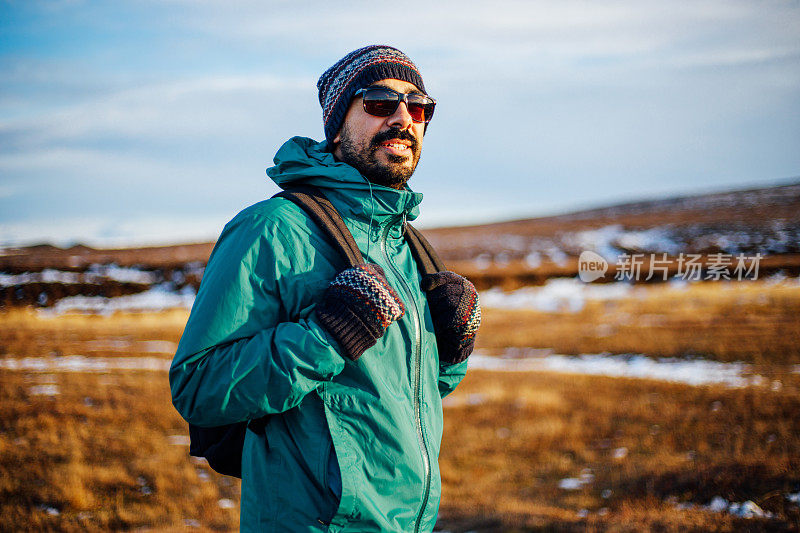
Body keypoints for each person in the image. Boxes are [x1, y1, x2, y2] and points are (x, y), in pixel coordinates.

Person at [169, 44, 481, 532]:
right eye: (380, 103)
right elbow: (198, 386)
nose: (403, 118)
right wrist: (325, 338)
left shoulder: (407, 245)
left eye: (418, 108)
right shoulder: (273, 229)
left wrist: (451, 352)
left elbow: (400, 391)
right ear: (337, 125)